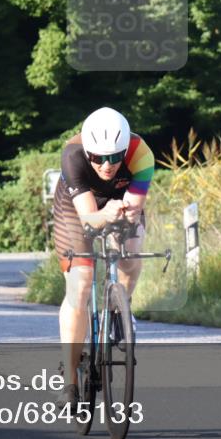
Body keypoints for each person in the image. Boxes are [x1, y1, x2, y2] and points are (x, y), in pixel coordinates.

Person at [53, 107, 154, 409]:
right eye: (98, 158)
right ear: (87, 151)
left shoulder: (142, 154)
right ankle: (70, 381)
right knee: (81, 283)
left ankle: (121, 307)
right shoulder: (73, 155)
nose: (107, 165)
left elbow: (134, 208)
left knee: (131, 253)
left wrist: (124, 216)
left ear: (126, 148)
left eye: (115, 157)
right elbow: (87, 219)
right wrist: (103, 215)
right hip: (76, 209)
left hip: (118, 203)